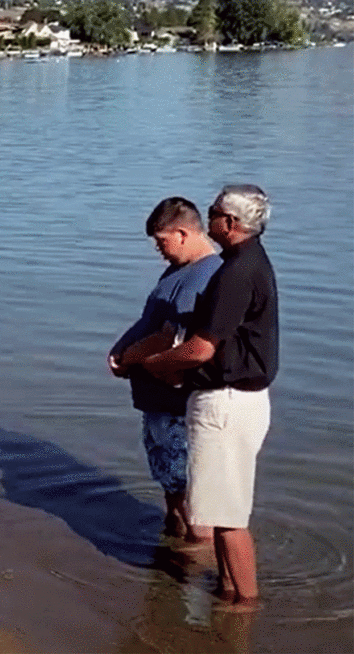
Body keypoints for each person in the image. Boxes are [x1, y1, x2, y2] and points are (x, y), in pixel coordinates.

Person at [143, 185, 277, 610]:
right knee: (220, 514)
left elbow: (203, 347)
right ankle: (226, 593)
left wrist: (159, 364)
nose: (210, 216)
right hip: (235, 399)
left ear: (231, 224)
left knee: (229, 519)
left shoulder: (237, 272)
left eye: (215, 211)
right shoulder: (244, 264)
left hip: (227, 401)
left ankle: (243, 608)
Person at [109, 197, 220, 543]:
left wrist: (127, 359)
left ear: (183, 233)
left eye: (161, 241)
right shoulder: (178, 270)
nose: (158, 249)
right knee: (171, 486)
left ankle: (194, 567)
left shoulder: (204, 275)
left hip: (176, 405)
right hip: (157, 402)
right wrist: (120, 350)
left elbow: (170, 338)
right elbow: (151, 320)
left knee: (190, 494)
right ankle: (171, 554)